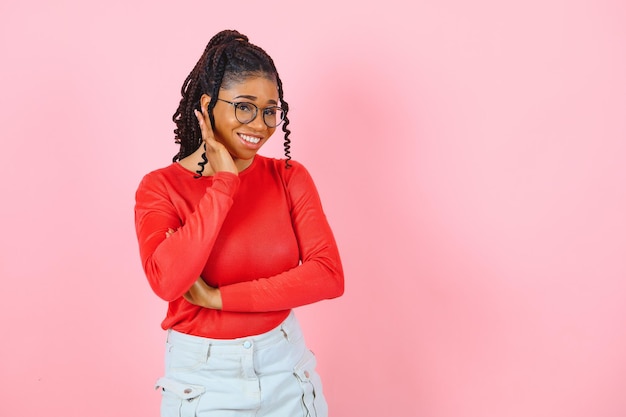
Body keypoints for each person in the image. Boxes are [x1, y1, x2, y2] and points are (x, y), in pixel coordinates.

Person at [134, 29, 344, 417]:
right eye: (244, 106)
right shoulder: (160, 188)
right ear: (207, 104)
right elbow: (168, 281)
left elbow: (328, 275)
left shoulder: (288, 176)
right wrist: (224, 184)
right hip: (204, 380)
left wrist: (217, 298)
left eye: (270, 111)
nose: (260, 124)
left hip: (287, 368)